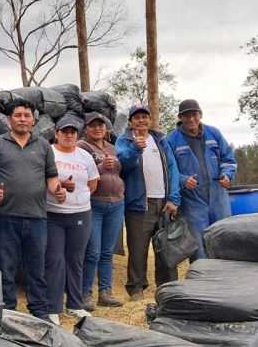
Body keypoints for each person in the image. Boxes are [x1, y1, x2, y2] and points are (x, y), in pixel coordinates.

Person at [0, 98, 67, 322]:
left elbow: (51, 177)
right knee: (6, 266)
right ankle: (8, 310)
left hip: (37, 217)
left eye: (27, 115)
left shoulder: (43, 145)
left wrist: (57, 191)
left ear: (34, 119)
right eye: (18, 115)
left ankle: (39, 310)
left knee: (36, 268)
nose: (22, 119)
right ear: (9, 119)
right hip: (5, 216)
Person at [116, 103, 181, 301]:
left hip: (163, 202)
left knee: (165, 248)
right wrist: (135, 149)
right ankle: (136, 289)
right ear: (130, 121)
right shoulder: (124, 140)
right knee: (138, 249)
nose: (141, 120)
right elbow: (122, 165)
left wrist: (173, 198)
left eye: (144, 117)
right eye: (137, 117)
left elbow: (173, 170)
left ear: (150, 120)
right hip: (138, 203)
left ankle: (167, 287)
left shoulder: (160, 140)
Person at [164, 99, 237, 260]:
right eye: (186, 115)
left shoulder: (214, 134)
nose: (191, 119)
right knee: (199, 246)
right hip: (192, 202)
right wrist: (183, 180)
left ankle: (224, 281)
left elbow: (228, 160)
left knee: (223, 239)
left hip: (219, 198)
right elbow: (168, 170)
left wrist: (227, 175)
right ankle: (200, 281)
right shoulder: (171, 140)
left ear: (200, 115)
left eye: (194, 114)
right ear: (179, 117)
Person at [45, 115, 99, 325]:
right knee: (55, 260)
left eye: (72, 132)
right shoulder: (48, 151)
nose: (69, 135)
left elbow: (92, 183)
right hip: (53, 214)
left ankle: (75, 305)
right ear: (56, 134)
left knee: (76, 259)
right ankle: (53, 307)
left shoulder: (84, 156)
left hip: (80, 213)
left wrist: (78, 199)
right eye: (64, 131)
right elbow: (41, 177)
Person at [77, 112, 125, 310]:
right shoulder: (82, 147)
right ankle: (85, 293)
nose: (97, 128)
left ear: (106, 128)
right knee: (93, 251)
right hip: (94, 204)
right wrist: (100, 165)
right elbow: (80, 170)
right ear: (86, 128)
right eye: (92, 126)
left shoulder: (112, 148)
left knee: (107, 251)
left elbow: (119, 171)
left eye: (101, 125)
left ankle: (105, 293)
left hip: (116, 204)